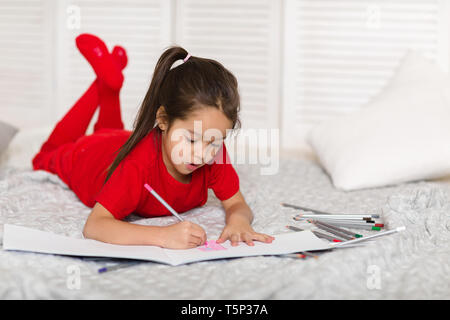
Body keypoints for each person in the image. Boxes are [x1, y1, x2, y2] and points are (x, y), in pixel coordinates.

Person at [32, 33, 274, 249]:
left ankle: (110, 85)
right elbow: (95, 226)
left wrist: (239, 221)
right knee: (46, 154)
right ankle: (103, 84)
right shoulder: (137, 166)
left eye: (214, 141)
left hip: (120, 142)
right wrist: (163, 236)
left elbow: (236, 203)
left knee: (109, 129)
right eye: (191, 140)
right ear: (163, 120)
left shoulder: (213, 152)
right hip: (89, 157)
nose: (202, 154)